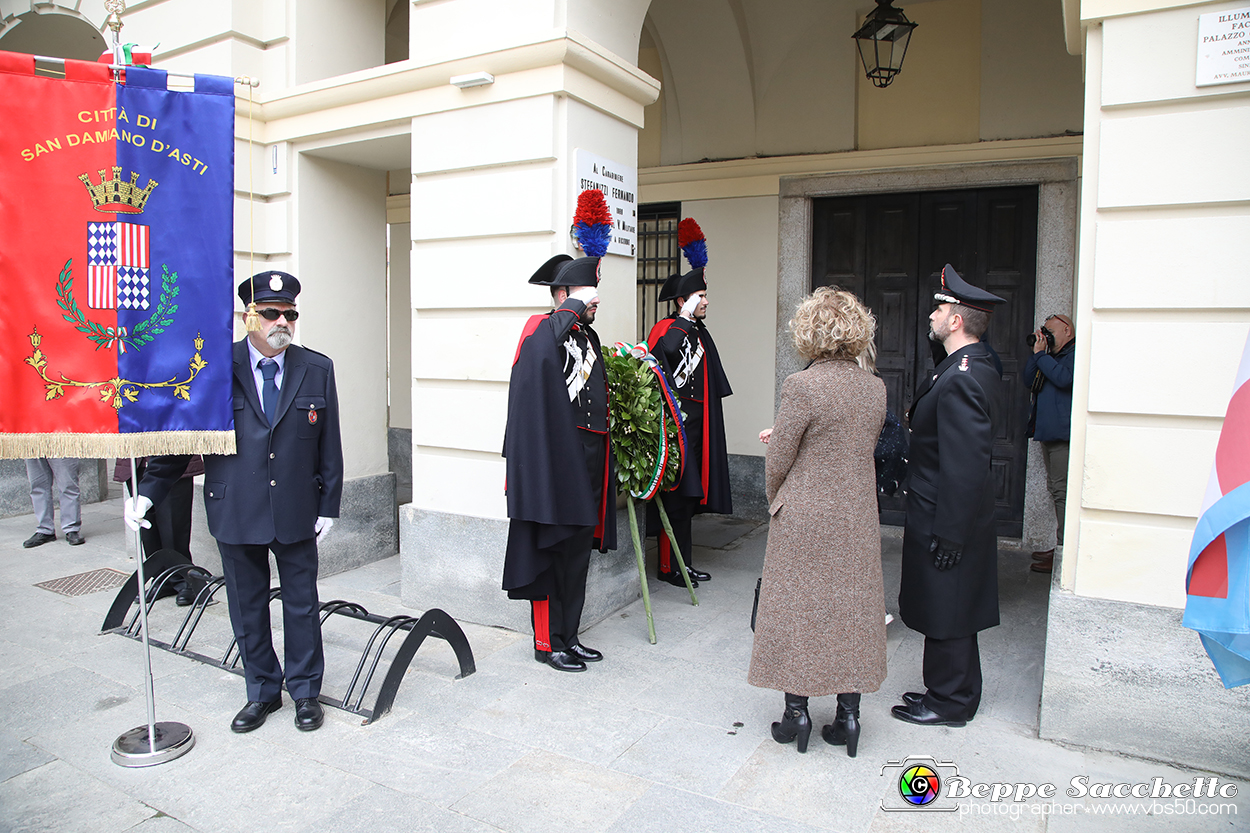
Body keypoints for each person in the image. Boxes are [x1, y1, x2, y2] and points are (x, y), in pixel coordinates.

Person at [124, 271, 342, 733]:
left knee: (301, 603)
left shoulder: (316, 368)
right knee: (247, 605)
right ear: (249, 318)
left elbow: (329, 443)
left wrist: (330, 504)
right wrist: (147, 493)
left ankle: (304, 691)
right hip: (235, 506)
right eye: (271, 313)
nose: (282, 321)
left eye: (290, 314)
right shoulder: (216, 368)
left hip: (297, 508)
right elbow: (185, 440)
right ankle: (262, 690)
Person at [748, 288, 887, 757]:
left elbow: (779, 458)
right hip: (857, 516)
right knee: (852, 611)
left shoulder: (802, 385)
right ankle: (849, 717)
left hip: (805, 516)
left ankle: (796, 715)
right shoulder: (875, 388)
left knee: (798, 612)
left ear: (809, 332)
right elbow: (851, 446)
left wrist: (777, 501)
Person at [892, 264, 1005, 728]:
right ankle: (947, 689)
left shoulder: (963, 376)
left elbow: (965, 466)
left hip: (946, 515)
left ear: (957, 320)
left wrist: (952, 534)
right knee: (948, 606)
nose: (933, 313)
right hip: (943, 511)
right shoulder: (968, 365)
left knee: (949, 608)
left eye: (941, 307)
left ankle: (950, 703)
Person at [502, 253, 615, 673]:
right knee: (551, 551)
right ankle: (548, 643)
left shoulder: (587, 337)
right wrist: (571, 305)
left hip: (586, 461)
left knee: (577, 554)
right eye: (590, 292)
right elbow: (540, 355)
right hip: (553, 465)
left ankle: (571, 634)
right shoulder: (541, 329)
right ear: (564, 295)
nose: (597, 301)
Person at [645, 218, 732, 587]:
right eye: (700, 297)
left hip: (698, 427)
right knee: (676, 500)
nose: (706, 302)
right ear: (683, 301)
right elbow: (663, 351)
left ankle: (683, 562)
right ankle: (670, 567)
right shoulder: (670, 327)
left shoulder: (697, 331)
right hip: (678, 428)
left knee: (688, 502)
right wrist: (682, 317)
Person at [114, 456, 205, 605]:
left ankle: (184, 579)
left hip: (169, 457)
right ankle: (160, 578)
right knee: (146, 528)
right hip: (136, 458)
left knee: (173, 527)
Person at [1024, 313, 1075, 574]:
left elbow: (1065, 379)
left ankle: (1066, 553)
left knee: (1063, 493)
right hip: (1048, 434)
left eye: (1050, 333)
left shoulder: (1074, 354)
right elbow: (1028, 380)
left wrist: (1043, 356)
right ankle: (1061, 549)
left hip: (1063, 436)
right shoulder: (1049, 357)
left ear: (1067, 329)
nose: (1047, 338)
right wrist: (1038, 353)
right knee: (1057, 490)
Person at [23, 458, 85, 547]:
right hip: (34, 445)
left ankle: (71, 528)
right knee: (38, 485)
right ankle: (45, 529)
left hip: (61, 445)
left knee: (68, 484)